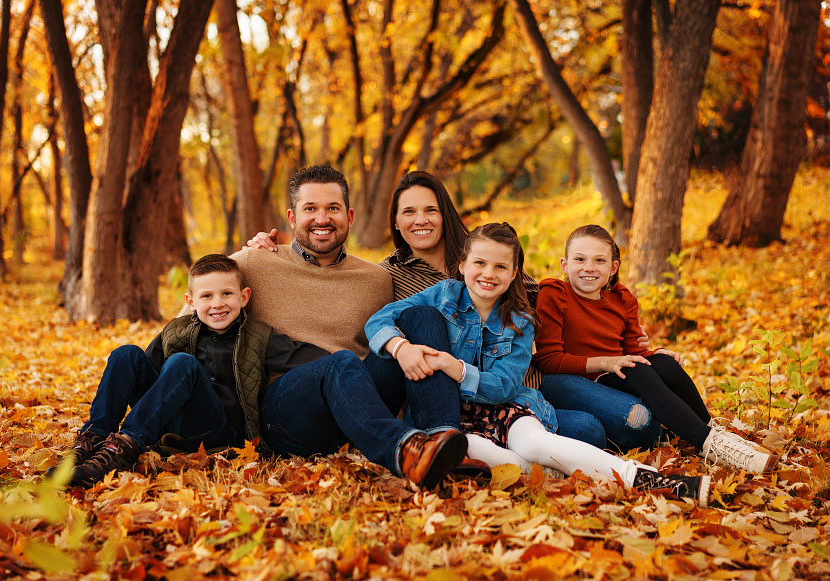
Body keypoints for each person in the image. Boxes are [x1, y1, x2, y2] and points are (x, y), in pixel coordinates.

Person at [250, 170, 661, 452]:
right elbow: (381, 322)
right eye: (408, 212)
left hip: (526, 383)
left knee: (638, 424)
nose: (420, 221)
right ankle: (455, 439)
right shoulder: (385, 276)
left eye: (429, 209)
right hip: (452, 394)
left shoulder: (488, 254)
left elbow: (560, 295)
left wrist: (628, 329)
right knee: (597, 430)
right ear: (395, 221)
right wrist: (259, 251)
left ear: (445, 213)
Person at [365, 223, 709, 505]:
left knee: (536, 444)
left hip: (502, 407)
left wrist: (455, 368)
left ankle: (655, 481)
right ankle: (560, 471)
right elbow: (377, 321)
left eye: (501, 267)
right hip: (450, 416)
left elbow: (503, 386)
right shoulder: (441, 296)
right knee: (495, 457)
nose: (489, 274)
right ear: (462, 266)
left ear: (514, 272)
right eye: (480, 264)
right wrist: (400, 348)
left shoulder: (519, 321)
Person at [226, 165, 470, 488]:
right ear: (291, 217)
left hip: (358, 406)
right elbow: (199, 305)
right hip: (288, 411)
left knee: (422, 316)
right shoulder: (254, 262)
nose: (322, 219)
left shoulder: (377, 278)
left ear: (349, 217)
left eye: (333, 208)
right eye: (310, 208)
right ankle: (406, 452)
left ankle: (442, 442)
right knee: (340, 363)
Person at [63, 254, 328, 488]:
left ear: (244, 297)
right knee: (126, 355)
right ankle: (92, 439)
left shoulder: (258, 337)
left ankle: (124, 447)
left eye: (227, 294)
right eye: (206, 296)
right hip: (172, 420)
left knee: (182, 364)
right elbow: (142, 376)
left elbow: (315, 359)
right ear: (191, 301)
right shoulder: (177, 331)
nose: (217, 304)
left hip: (218, 432)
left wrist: (347, 363)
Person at [534, 224, 779, 474]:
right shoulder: (555, 294)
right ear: (565, 264)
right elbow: (548, 360)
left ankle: (716, 434)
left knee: (665, 364)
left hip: (615, 376)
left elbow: (632, 351)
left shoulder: (622, 299)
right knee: (637, 370)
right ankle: (708, 443)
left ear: (613, 267)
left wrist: (656, 353)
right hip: (575, 380)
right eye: (580, 259)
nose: (589, 267)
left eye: (599, 260)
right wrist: (607, 362)